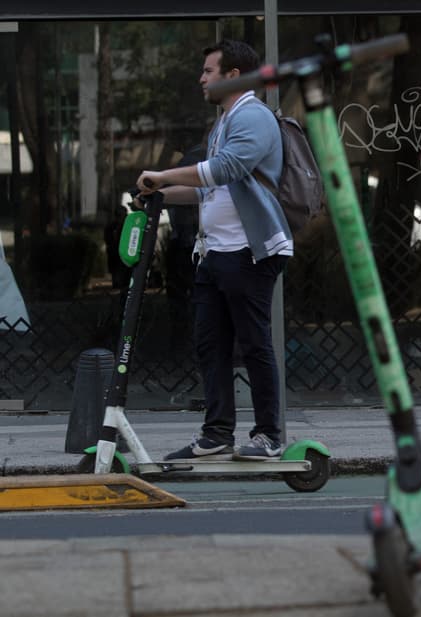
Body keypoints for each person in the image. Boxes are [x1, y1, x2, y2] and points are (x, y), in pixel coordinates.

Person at [136, 39, 291, 461]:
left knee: (253, 342)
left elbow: (224, 169)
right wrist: (159, 194)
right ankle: (217, 432)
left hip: (249, 251)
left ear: (233, 76)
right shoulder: (223, 122)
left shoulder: (254, 117)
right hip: (214, 252)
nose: (201, 79)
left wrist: (163, 174)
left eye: (208, 71)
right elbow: (209, 187)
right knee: (211, 343)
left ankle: (269, 436)